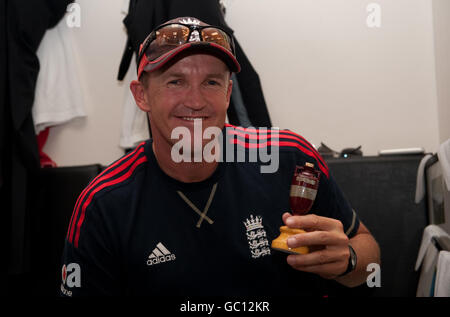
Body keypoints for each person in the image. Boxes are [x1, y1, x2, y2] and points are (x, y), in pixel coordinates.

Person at [60, 17, 380, 297]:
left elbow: (371, 261)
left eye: (211, 82)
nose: (196, 101)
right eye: (176, 81)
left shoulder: (289, 158)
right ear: (141, 95)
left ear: (228, 93)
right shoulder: (104, 203)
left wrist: (348, 261)